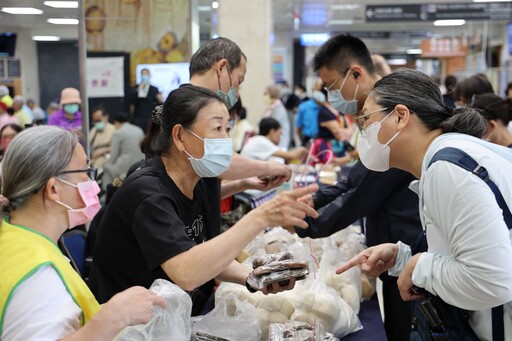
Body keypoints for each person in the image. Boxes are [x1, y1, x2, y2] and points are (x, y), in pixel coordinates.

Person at [90, 85, 319, 316]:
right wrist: (261, 217)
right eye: (217, 128)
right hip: (130, 328)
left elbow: (201, 254)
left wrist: (252, 277)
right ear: (180, 136)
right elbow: (187, 271)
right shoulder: (148, 192)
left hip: (169, 318)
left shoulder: (194, 181)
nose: (225, 140)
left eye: (228, 129)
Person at [337, 68, 512, 340]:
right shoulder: (445, 159)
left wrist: (418, 266)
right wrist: (402, 256)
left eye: (367, 120)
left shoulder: (448, 169)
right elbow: (461, 251)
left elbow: (490, 281)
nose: (364, 133)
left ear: (400, 116)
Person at [299, 33, 424, 341]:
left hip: (410, 252)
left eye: (331, 86)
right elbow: (358, 178)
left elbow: (362, 194)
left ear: (355, 73)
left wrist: (303, 223)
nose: (330, 96)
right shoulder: (373, 113)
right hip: (393, 252)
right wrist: (313, 199)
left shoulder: (391, 114)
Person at [0, 126, 166, 340]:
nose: (92, 183)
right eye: (86, 172)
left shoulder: (15, 236)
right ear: (53, 189)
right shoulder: (38, 275)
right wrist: (112, 319)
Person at [188, 37, 294, 236]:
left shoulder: (199, 105)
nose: (236, 93)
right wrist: (270, 167)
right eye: (238, 82)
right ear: (221, 68)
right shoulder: (191, 109)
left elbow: (202, 193)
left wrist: (245, 183)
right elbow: (219, 160)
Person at [102, 112, 144, 188]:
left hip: (124, 166)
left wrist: (107, 163)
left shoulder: (118, 133)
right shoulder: (139, 130)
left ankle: (107, 195)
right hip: (140, 164)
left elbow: (113, 155)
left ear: (116, 122)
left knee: (106, 167)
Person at [241, 117, 307, 163]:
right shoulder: (261, 141)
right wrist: (302, 149)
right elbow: (291, 156)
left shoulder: (257, 140)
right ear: (272, 132)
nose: (280, 138)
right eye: (279, 134)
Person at [130, 68, 162, 133]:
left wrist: (160, 100)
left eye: (146, 74)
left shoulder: (154, 89)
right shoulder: (135, 88)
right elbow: (132, 101)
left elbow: (159, 105)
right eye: (143, 74)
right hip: (138, 118)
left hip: (150, 118)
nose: (144, 76)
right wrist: (137, 92)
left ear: (149, 75)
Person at [263, 85, 291, 150]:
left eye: (266, 93)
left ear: (272, 94)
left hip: (279, 143)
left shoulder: (279, 108)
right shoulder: (271, 108)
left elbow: (272, 124)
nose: (264, 96)